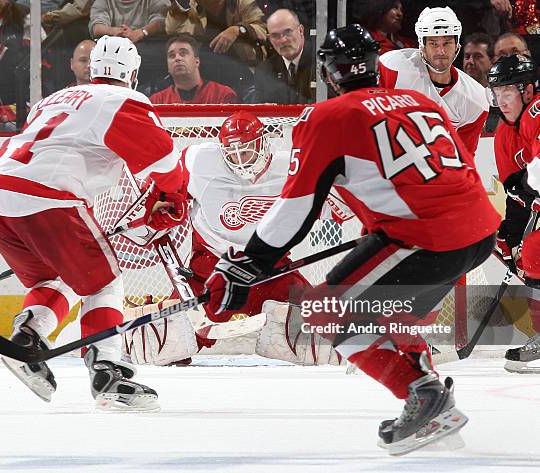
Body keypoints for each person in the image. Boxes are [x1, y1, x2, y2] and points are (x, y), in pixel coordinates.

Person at [203, 25, 500, 455]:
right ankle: (434, 405)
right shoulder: (421, 102)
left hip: (425, 237)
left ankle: (424, 395)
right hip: (478, 232)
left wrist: (247, 263)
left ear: (328, 73)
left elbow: (296, 209)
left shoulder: (329, 117)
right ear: (376, 66)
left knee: (328, 310)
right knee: (390, 315)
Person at [0, 35, 187, 411]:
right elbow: (166, 163)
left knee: (55, 280)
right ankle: (107, 370)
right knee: (105, 282)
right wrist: (174, 195)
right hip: (46, 200)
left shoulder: (53, 100)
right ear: (132, 73)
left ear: (93, 69)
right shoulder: (125, 99)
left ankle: (27, 339)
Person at [125, 110, 344, 366]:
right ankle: (139, 328)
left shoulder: (291, 166)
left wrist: (350, 203)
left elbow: (339, 208)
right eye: (232, 152)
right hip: (212, 270)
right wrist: (163, 208)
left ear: (263, 142)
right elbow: (159, 194)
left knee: (329, 340)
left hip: (270, 267)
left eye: (247, 149)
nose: (240, 159)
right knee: (162, 345)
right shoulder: (199, 161)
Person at [488, 54, 540, 373]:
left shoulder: (537, 110)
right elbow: (514, 189)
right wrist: (510, 234)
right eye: (497, 93)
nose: (501, 100)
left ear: (527, 90)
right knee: (529, 253)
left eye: (508, 92)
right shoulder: (503, 135)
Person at [378, 6, 489, 155]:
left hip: (434, 171)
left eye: (447, 42)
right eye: (434, 43)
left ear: (457, 46)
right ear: (422, 46)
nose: (441, 51)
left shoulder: (477, 99)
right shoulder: (393, 67)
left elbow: (464, 157)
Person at [165, 0, 267, 65]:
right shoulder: (189, 7)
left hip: (245, 65)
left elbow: (262, 28)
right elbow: (172, 30)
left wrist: (237, 30)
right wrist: (181, 5)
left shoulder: (241, 2)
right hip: (203, 69)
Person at [149, 34, 238, 104]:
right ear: (168, 66)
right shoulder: (157, 101)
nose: (177, 58)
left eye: (183, 53)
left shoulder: (223, 95)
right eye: (172, 56)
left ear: (197, 61)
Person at [254, 9, 313, 104]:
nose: (282, 40)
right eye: (275, 36)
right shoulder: (264, 71)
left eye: (288, 32)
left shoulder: (320, 62)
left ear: (301, 30)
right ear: (269, 39)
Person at [89, 0, 168, 43]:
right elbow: (96, 27)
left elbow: (161, 21)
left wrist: (141, 32)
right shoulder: (102, 1)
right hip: (113, 46)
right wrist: (115, 31)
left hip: (146, 45)